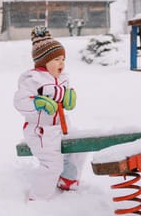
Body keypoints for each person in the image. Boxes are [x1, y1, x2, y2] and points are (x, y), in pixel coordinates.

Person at [14, 26, 85, 201]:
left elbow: (66, 97)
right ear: (43, 62)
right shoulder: (32, 80)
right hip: (40, 131)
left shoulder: (62, 78)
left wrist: (70, 97)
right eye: (56, 59)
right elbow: (19, 102)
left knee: (80, 147)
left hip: (62, 127)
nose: (61, 63)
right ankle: (38, 199)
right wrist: (37, 103)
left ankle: (67, 179)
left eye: (63, 59)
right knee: (52, 165)